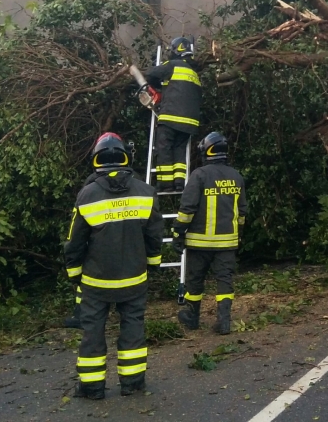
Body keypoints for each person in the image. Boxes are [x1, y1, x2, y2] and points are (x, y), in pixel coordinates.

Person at [64, 132, 164, 399]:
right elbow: (155, 236)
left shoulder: (87, 195)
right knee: (133, 328)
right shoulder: (145, 192)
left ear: (96, 160)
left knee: (93, 332)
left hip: (96, 282)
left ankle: (92, 387)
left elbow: (74, 241)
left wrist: (74, 273)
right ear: (126, 158)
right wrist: (152, 264)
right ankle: (133, 383)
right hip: (134, 278)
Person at [171, 132, 247, 334]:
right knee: (224, 280)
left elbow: (187, 210)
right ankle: (224, 321)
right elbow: (242, 212)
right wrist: (238, 234)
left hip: (199, 243)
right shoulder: (236, 176)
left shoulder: (199, 175)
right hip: (227, 243)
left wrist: (178, 233)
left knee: (195, 280)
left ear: (206, 152)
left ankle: (192, 317)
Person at [143, 36, 202, 192]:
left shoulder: (173, 65)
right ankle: (179, 182)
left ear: (176, 50)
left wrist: (159, 88)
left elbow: (151, 74)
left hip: (171, 116)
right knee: (179, 149)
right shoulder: (194, 73)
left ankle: (166, 184)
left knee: (164, 147)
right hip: (190, 122)